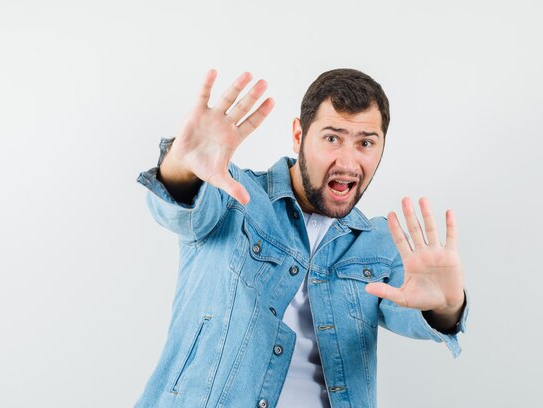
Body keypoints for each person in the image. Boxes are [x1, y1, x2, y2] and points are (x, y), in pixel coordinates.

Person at [135, 68, 468, 408]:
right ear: (299, 135)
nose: (348, 162)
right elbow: (176, 210)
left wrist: (445, 307)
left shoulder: (381, 243)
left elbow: (415, 313)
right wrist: (182, 165)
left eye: (365, 143)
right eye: (332, 138)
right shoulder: (233, 193)